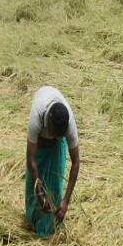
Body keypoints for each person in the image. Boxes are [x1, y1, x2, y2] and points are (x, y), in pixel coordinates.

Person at [25, 86, 80, 237]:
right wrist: (39, 194)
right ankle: (32, 220)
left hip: (56, 146)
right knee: (33, 182)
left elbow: (76, 162)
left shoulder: (69, 125)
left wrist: (66, 201)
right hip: (39, 142)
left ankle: (49, 227)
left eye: (59, 136)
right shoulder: (37, 116)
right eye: (53, 134)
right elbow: (31, 158)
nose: (55, 138)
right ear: (48, 123)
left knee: (54, 183)